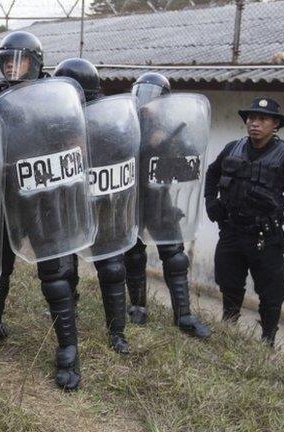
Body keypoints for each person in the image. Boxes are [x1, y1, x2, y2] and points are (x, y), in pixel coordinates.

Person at [0, 31, 83, 391]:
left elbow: (71, 141)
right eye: (6, 60)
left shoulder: (55, 97)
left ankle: (68, 348)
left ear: (34, 63)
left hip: (41, 196)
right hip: (3, 197)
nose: (10, 66)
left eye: (17, 59)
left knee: (54, 276)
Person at [204, 97, 284, 346]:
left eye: (262, 119)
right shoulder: (232, 148)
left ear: (275, 125)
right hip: (232, 232)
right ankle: (228, 330)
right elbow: (212, 173)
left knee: (271, 295)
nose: (254, 123)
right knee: (229, 285)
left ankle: (267, 342)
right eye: (251, 118)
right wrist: (210, 201)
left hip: (266, 237)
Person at [52, 58, 132, 354]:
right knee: (63, 268)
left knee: (111, 267)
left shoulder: (111, 116)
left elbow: (123, 153)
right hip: (66, 201)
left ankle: (117, 332)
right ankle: (67, 318)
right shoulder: (55, 117)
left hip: (103, 199)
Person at [123, 73, 211, 339]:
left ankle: (183, 315)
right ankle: (137, 306)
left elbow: (191, 154)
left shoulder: (172, 124)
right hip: (133, 199)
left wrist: (168, 141)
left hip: (161, 200)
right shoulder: (127, 121)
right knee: (133, 254)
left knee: (175, 256)